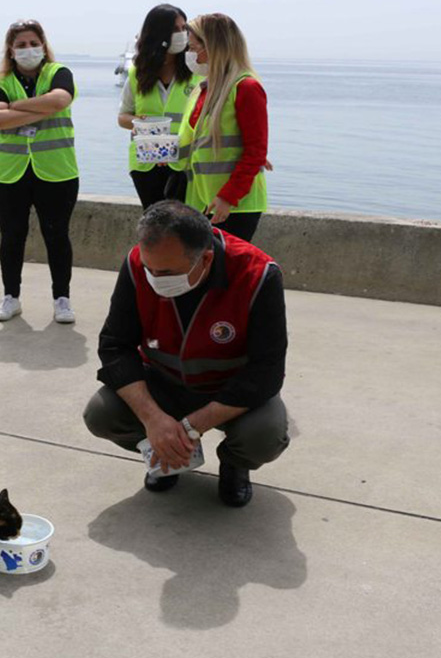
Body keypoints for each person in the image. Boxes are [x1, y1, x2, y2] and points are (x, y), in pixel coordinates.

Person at [83, 201, 288, 507]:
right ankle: (167, 456)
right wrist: (153, 420)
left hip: (229, 391)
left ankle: (234, 463)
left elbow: (267, 370)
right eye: (149, 269)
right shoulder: (138, 264)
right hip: (163, 383)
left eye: (165, 272)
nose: (153, 278)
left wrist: (191, 426)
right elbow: (115, 345)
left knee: (265, 436)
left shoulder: (258, 275)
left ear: (205, 259)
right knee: (100, 414)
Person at [0, 19, 79, 324]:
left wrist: (16, 107)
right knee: (11, 236)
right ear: (11, 50)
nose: (28, 49)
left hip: (57, 171)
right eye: (21, 45)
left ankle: (61, 299)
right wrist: (40, 107)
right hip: (8, 173)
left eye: (33, 43)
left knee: (57, 236)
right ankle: (11, 297)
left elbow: (60, 99)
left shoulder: (58, 73)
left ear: (43, 45)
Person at [178, 14, 271, 242]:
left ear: (213, 47)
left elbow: (256, 151)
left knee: (223, 273)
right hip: (201, 201)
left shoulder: (246, 87)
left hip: (233, 205)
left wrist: (228, 197)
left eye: (193, 47)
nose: (189, 55)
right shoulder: (202, 89)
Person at [117, 4, 200, 209]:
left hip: (183, 163)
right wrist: (141, 123)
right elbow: (123, 117)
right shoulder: (139, 73)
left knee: (181, 226)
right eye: (175, 29)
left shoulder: (196, 71)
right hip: (146, 163)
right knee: (154, 222)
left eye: (184, 29)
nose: (181, 34)